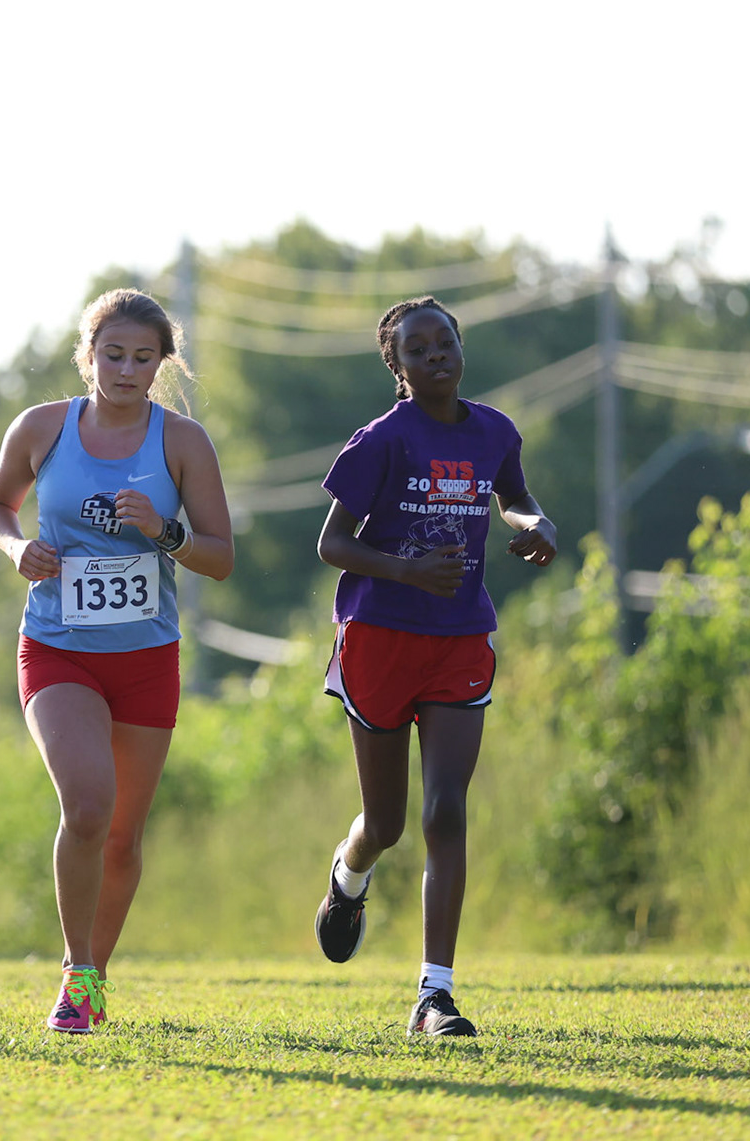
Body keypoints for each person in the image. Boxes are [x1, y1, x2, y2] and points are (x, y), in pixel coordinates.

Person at [0, 288, 233, 1034]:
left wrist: (166, 531)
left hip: (147, 656)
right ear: (86, 355)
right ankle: (74, 972)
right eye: (112, 354)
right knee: (87, 807)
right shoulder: (41, 429)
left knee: (123, 835)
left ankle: (95, 976)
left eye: (142, 358)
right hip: (58, 648)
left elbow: (219, 558)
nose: (126, 370)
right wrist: (15, 546)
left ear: (162, 363)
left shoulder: (182, 443)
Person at [310, 294, 558, 1038]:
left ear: (460, 347)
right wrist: (406, 571)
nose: (435, 355)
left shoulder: (494, 432)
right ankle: (348, 877)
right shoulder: (380, 442)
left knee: (445, 808)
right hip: (381, 636)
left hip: (459, 637)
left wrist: (533, 523)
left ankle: (434, 995)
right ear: (399, 367)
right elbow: (332, 543)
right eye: (417, 349)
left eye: (444, 342)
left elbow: (513, 496)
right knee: (385, 823)